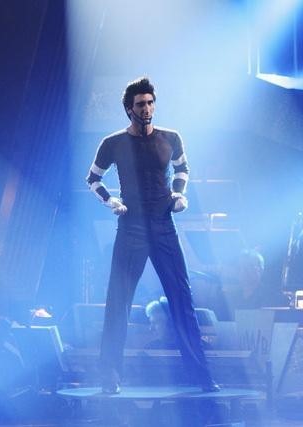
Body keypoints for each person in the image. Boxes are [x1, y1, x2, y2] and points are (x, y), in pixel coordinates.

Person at [85, 77, 219, 394]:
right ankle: (110, 377)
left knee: (182, 299)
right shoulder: (113, 142)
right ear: (129, 109)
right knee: (118, 301)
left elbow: (182, 168)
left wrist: (179, 195)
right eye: (140, 104)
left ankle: (200, 376)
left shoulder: (170, 137)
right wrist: (111, 201)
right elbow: (92, 179)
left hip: (162, 224)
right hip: (131, 226)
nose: (147, 109)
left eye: (150, 102)